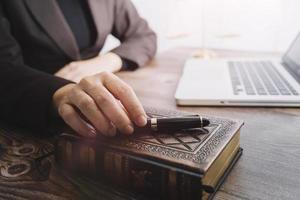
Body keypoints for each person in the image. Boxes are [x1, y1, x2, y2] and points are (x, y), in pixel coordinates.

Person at [0, 0, 157, 137]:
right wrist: (60, 92)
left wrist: (106, 62)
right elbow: (5, 69)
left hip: (97, 99)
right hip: (34, 106)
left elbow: (143, 35)